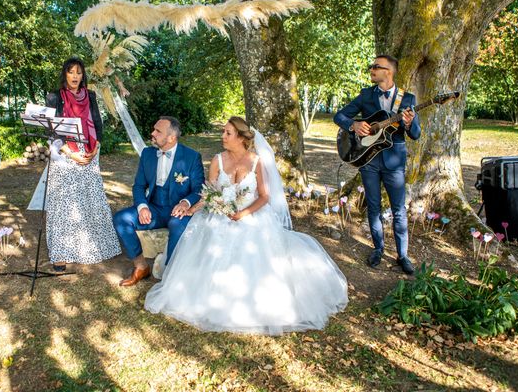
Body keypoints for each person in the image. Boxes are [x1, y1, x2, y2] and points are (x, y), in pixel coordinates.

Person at [144, 117, 348, 335]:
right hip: (219, 216)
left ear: (241, 138)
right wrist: (191, 209)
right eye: (223, 132)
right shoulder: (218, 160)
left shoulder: (256, 161)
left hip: (251, 216)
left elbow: (264, 196)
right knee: (207, 238)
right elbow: (208, 193)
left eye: (228, 133)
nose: (222, 136)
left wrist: (243, 213)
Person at [333, 54, 421, 274]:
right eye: (372, 66)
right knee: (373, 206)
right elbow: (339, 116)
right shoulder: (366, 95)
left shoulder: (407, 99)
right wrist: (354, 125)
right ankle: (378, 248)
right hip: (368, 160)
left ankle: (402, 255)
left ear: (388, 72)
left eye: (376, 66)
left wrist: (409, 125)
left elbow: (416, 134)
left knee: (399, 210)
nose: (371, 69)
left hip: (394, 162)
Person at [44, 57, 121, 271]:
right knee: (64, 203)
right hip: (66, 154)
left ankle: (90, 247)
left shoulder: (91, 95)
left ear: (82, 75)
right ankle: (61, 252)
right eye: (71, 72)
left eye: (79, 72)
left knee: (89, 200)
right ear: (65, 74)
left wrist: (94, 149)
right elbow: (50, 131)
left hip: (89, 152)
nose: (75, 76)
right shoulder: (54, 97)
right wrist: (71, 154)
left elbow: (97, 123)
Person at [113, 116, 205, 286]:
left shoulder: (191, 157)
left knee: (177, 226)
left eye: (158, 131)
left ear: (171, 137)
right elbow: (139, 185)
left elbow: (199, 189)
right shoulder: (148, 154)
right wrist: (142, 207)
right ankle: (141, 267)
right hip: (154, 208)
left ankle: (170, 275)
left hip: (178, 210)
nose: (152, 133)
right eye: (154, 129)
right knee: (121, 218)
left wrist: (185, 203)